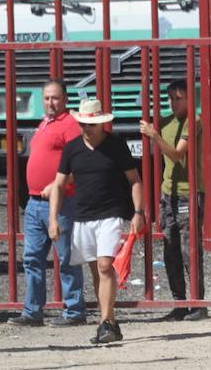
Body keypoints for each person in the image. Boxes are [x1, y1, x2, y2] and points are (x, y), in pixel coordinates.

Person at [49, 98, 145, 345]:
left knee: (105, 266)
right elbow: (59, 184)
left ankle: (105, 320)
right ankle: (110, 322)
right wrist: (53, 219)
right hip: (82, 217)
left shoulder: (116, 146)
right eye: (82, 124)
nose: (86, 129)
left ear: (102, 124)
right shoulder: (72, 149)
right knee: (95, 270)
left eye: (91, 124)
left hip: (110, 214)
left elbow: (134, 180)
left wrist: (138, 212)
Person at [10, 79, 87, 327]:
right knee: (32, 259)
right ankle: (32, 311)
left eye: (54, 98)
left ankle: (74, 311)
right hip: (34, 203)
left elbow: (80, 163)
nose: (50, 103)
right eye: (46, 98)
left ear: (65, 99)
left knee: (66, 258)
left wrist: (57, 185)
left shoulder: (71, 126)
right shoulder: (44, 124)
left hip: (62, 202)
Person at [139, 79, 207, 321]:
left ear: (190, 98)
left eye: (178, 98)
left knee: (189, 249)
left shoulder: (193, 120)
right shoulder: (167, 122)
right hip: (168, 192)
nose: (173, 103)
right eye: (170, 98)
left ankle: (198, 302)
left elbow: (178, 154)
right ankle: (180, 302)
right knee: (170, 249)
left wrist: (155, 136)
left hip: (190, 191)